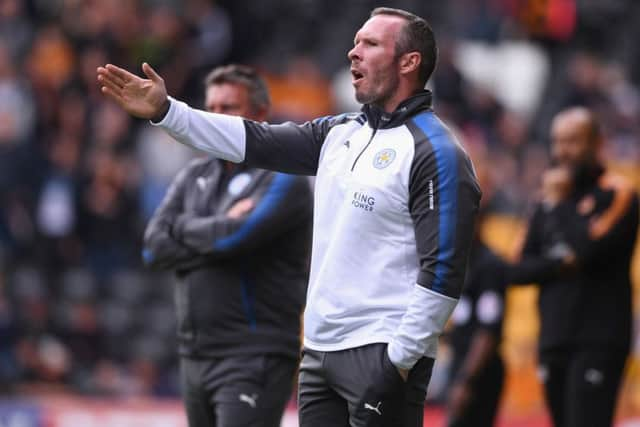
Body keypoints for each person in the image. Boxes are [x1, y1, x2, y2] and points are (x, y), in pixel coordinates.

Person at [98, 7, 481, 427]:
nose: (353, 53)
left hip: (382, 351)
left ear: (409, 62)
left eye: (370, 44)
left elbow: (443, 271)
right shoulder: (340, 133)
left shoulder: (438, 151)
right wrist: (168, 111)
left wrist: (399, 362)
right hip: (318, 354)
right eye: (354, 42)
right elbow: (251, 139)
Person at [142, 64, 313, 427]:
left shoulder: (286, 178)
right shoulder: (194, 175)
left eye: (229, 108)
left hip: (254, 355)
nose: (216, 118)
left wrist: (183, 227)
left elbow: (234, 238)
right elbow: (153, 248)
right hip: (195, 355)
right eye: (211, 109)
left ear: (260, 115)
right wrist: (215, 230)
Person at [507, 107, 639, 427]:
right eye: (557, 141)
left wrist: (561, 206)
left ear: (597, 143)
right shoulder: (545, 201)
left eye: (573, 141)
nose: (562, 151)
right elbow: (518, 268)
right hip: (554, 335)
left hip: (599, 336)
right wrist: (563, 262)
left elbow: (587, 250)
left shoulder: (617, 193)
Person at [445, 167, 506, 427]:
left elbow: (487, 331)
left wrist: (465, 381)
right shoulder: (459, 262)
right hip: (460, 362)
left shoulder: (489, 266)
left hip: (480, 372)